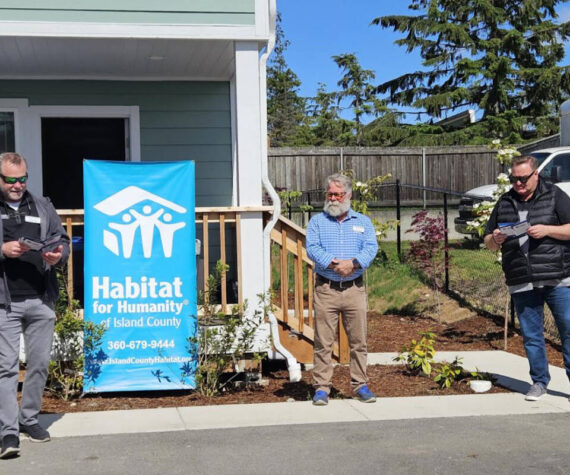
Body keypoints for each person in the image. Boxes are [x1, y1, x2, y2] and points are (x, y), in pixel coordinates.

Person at [484, 155, 570, 402]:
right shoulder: (505, 201)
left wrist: (548, 230)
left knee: (568, 332)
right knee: (532, 336)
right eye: (514, 179)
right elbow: (488, 240)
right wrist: (496, 239)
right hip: (521, 280)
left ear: (536, 175)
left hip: (557, 278)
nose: (518, 183)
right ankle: (539, 383)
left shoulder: (554, 195)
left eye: (523, 178)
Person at [0, 153, 70, 459]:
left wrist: (59, 255)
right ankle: (7, 431)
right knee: (6, 368)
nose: (18, 185)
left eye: (22, 179)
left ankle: (28, 419)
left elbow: (62, 239)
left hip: (41, 298)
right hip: (5, 302)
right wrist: (2, 249)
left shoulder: (42, 205)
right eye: (10, 180)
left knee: (40, 364)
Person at [306, 173, 378, 406]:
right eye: (330, 194)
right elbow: (312, 248)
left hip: (354, 290)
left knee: (359, 341)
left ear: (348, 195)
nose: (333, 199)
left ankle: (360, 385)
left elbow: (371, 248)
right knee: (323, 342)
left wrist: (354, 263)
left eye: (338, 194)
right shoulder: (317, 221)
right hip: (326, 290)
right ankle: (321, 388)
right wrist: (336, 263)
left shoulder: (363, 222)